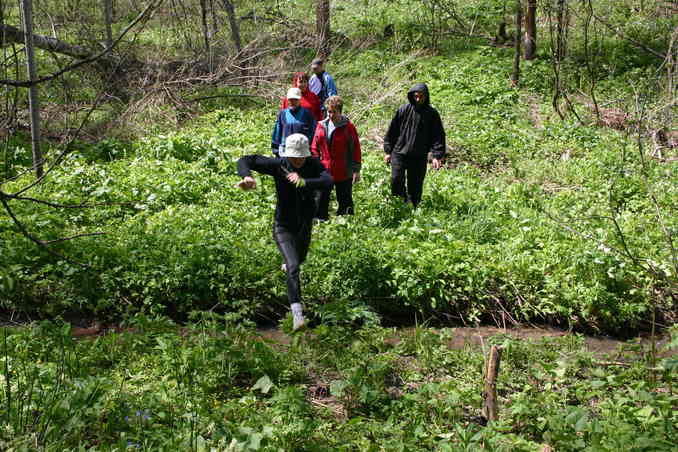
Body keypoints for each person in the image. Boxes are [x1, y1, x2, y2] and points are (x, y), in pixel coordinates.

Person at [237, 134, 332, 331]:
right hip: (284, 225)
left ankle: (288, 264)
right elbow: (246, 160)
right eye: (293, 158)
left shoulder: (313, 164)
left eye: (301, 157)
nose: (297, 161)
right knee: (294, 266)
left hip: (304, 224)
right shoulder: (278, 164)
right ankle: (298, 316)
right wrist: (247, 176)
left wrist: (304, 181)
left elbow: (328, 180)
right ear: (287, 155)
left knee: (299, 259)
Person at [383, 83, 446, 207]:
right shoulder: (403, 110)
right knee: (396, 180)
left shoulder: (432, 114)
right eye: (416, 96)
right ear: (412, 96)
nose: (418, 99)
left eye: (421, 97)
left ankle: (414, 207)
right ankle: (399, 204)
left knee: (415, 185)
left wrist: (437, 156)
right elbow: (392, 131)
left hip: (419, 154)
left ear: (426, 97)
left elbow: (438, 136)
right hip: (399, 152)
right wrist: (388, 151)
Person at [311, 95, 361, 220]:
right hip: (325, 168)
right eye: (329, 111)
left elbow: (355, 149)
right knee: (321, 197)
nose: (331, 115)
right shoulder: (321, 125)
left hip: (343, 169)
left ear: (340, 111)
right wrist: (316, 164)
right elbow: (314, 146)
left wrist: (356, 169)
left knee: (344, 198)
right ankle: (320, 219)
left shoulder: (348, 127)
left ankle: (345, 222)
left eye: (334, 112)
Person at [271, 88, 317, 157]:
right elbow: (277, 132)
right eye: (290, 100)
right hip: (285, 151)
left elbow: (313, 132)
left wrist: (312, 149)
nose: (293, 102)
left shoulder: (307, 114)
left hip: (302, 152)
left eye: (295, 100)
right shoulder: (283, 114)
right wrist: (276, 150)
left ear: (300, 99)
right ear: (287, 100)